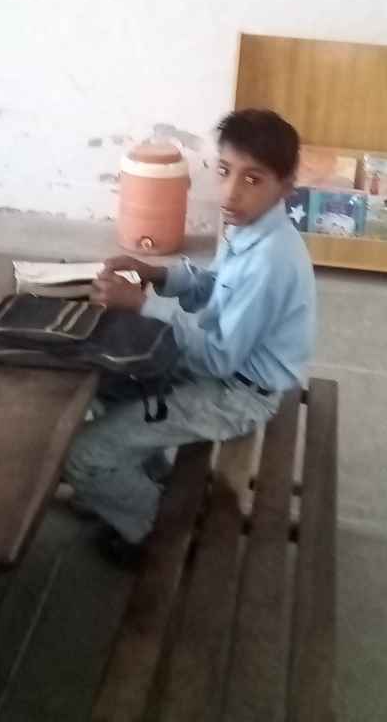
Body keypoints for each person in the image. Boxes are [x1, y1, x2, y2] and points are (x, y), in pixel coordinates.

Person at [64, 108, 316, 564]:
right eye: (224, 171)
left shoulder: (270, 261)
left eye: (253, 179)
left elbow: (218, 358)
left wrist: (142, 304)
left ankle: (157, 534)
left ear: (286, 186)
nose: (231, 192)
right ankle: (139, 482)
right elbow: (211, 286)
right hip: (223, 374)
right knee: (109, 381)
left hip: (237, 395)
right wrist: (155, 273)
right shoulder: (250, 227)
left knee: (82, 457)